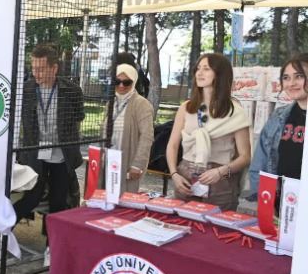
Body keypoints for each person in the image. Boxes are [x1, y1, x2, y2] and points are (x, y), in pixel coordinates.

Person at [13, 44, 85, 266]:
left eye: (41, 68)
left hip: (61, 154)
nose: (36, 73)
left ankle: (51, 247)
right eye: (33, 68)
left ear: (54, 68)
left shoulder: (71, 91)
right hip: (35, 153)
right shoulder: (25, 90)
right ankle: (2, 227)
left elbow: (79, 117)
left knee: (58, 201)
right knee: (33, 196)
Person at [166, 53, 251, 210]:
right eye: (198, 69)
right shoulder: (186, 107)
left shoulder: (235, 111)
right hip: (186, 177)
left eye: (206, 69)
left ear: (220, 74)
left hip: (220, 180)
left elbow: (245, 156)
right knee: (182, 221)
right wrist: (174, 174)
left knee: (217, 223)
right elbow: (172, 145)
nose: (199, 73)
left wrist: (220, 172)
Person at [249, 53, 308, 195]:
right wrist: (262, 198)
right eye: (286, 78)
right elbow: (260, 163)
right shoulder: (278, 116)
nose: (291, 83)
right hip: (281, 201)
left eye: (299, 76)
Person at [108, 63, 154, 192]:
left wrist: (137, 165)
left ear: (133, 82)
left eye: (126, 82)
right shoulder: (111, 102)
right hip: (110, 160)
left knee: (125, 197)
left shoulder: (142, 104)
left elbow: (147, 136)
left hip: (128, 161)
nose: (121, 86)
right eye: (117, 82)